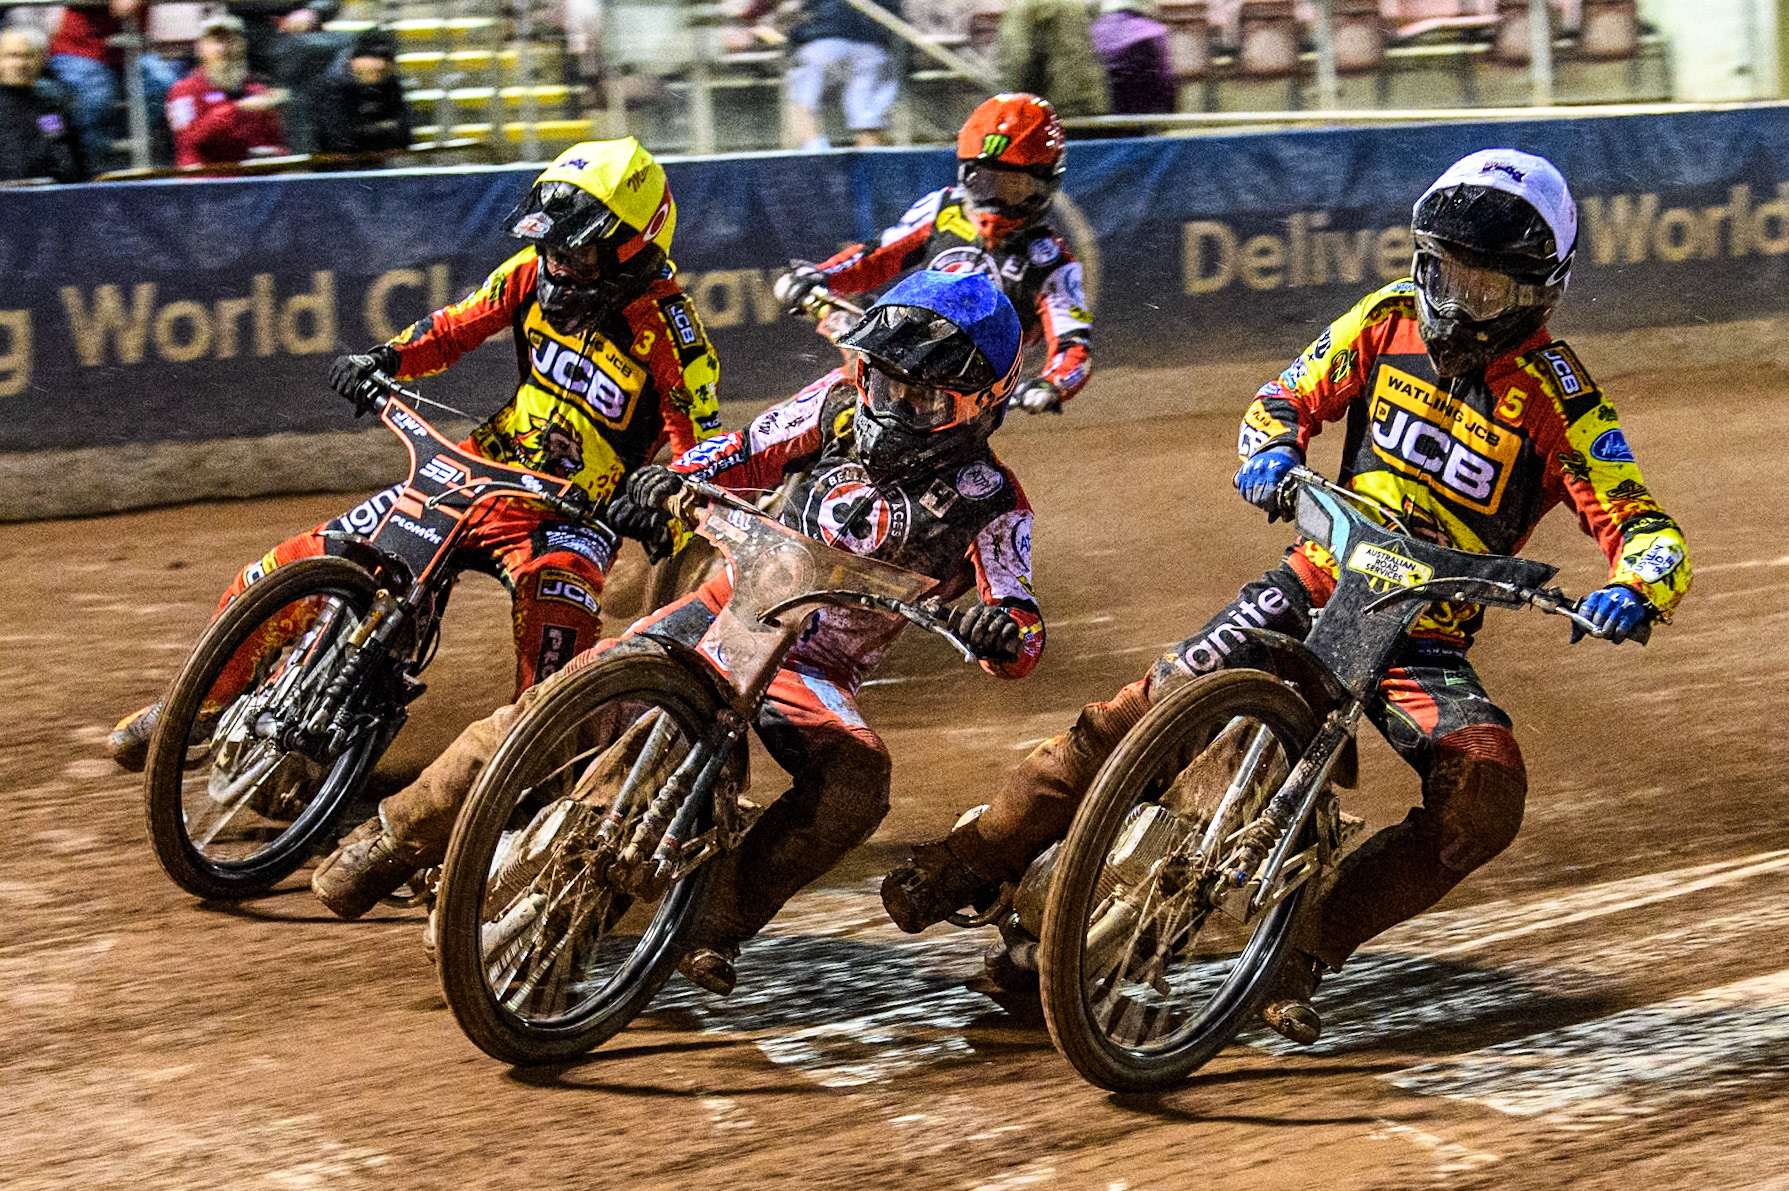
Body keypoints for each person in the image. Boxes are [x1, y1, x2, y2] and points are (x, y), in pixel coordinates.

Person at [881, 149, 1694, 1041]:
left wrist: (1639, 585)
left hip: (1418, 638)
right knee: (1136, 712)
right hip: (1312, 581)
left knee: (1485, 796)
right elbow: (1283, 396)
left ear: (1539, 291)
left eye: (1486, 288)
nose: (1456, 301)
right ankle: (971, 857)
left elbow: (1639, 517)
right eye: (1441, 272)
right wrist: (1269, 448)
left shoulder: (1560, 399)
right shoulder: (1387, 320)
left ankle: (1301, 951)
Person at [306, 270, 1046, 1001]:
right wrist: (670, 478)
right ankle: (391, 838)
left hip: (813, 670)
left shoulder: (994, 503)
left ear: (978, 406)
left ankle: (717, 923)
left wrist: (998, 633)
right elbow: (743, 448)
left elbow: (1018, 614)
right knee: (554, 705)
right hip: (726, 608)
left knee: (857, 783)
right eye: (884, 382)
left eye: (920, 396)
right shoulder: (836, 404)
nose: (892, 404)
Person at [109, 138, 724, 785]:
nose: (558, 264)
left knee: (554, 653)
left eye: (577, 250)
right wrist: (385, 359)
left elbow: (701, 454)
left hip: (571, 511)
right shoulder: (527, 274)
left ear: (632, 247)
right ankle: (198, 705)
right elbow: (455, 326)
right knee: (302, 560)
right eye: (552, 247)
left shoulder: (672, 335)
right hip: (478, 467)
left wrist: (660, 509)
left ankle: (531, 797)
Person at [775, 93, 1092, 416]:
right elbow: (878, 256)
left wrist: (1051, 384)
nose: (998, 198)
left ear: (1044, 184)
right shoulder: (941, 210)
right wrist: (821, 275)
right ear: (967, 174)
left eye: (1015, 188)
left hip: (960, 402)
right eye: (986, 182)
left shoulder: (1052, 264)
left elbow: (1073, 346)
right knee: (799, 421)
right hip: (890, 360)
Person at [46, 0, 179, 172]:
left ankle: (123, 152)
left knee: (166, 84)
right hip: (79, 50)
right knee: (97, 96)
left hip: (133, 51)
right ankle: (93, 168)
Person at [764, 0, 904, 150]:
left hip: (821, 41)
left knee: (804, 104)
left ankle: (816, 152)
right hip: (871, 45)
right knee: (867, 116)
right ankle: (870, 160)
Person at [164, 13, 290, 169]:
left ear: (242, 45)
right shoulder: (182, 91)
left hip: (252, 182)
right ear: (200, 48)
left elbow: (276, 145)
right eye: (216, 41)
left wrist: (274, 154)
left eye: (230, 41)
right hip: (203, 182)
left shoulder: (258, 92)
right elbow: (190, 139)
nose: (223, 49)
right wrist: (238, 108)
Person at [996, 0, 1108, 119]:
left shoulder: (1026, 6)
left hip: (1053, 112)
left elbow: (1016, 64)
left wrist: (1001, 111)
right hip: (1090, 104)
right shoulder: (1076, 5)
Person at [0, 25, 84, 182]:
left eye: (28, 56)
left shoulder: (49, 106)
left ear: (41, 59)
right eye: (12, 56)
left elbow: (61, 151)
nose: (20, 64)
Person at [313, 27, 409, 156]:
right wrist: (382, 129)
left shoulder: (389, 80)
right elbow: (338, 140)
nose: (379, 65)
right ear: (355, 58)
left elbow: (403, 135)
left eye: (385, 59)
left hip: (376, 160)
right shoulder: (334, 83)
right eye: (373, 58)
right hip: (336, 165)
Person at [1090, 0, 1176, 115]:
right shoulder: (1152, 32)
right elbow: (1164, 80)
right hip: (1141, 114)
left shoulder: (1094, 31)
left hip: (1102, 113)